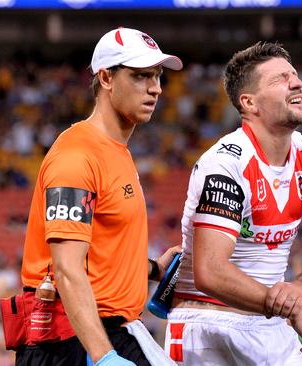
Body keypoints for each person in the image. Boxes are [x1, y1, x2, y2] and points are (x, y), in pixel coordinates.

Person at [164, 42, 302, 365]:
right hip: (207, 324)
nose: (296, 83)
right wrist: (293, 310)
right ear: (249, 102)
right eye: (279, 79)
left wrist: (300, 290)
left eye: (294, 75)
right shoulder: (226, 164)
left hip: (271, 322)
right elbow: (210, 272)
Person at [16, 27, 183, 366]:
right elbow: (67, 269)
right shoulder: (76, 157)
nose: (155, 88)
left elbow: (98, 253)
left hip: (106, 332)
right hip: (74, 341)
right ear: (106, 78)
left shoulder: (115, 151)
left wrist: (152, 269)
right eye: (140, 76)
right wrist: (103, 356)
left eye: (157, 76)